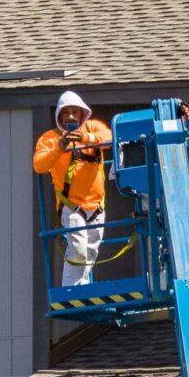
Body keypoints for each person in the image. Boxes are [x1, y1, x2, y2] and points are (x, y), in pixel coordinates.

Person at [34, 91, 112, 286]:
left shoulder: (92, 128)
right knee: (78, 248)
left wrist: (86, 138)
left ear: (81, 114)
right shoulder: (50, 138)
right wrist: (60, 146)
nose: (70, 116)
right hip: (72, 206)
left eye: (74, 112)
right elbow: (39, 165)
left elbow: (110, 137)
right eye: (66, 112)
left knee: (91, 251)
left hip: (96, 207)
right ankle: (71, 290)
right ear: (59, 116)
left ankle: (81, 288)